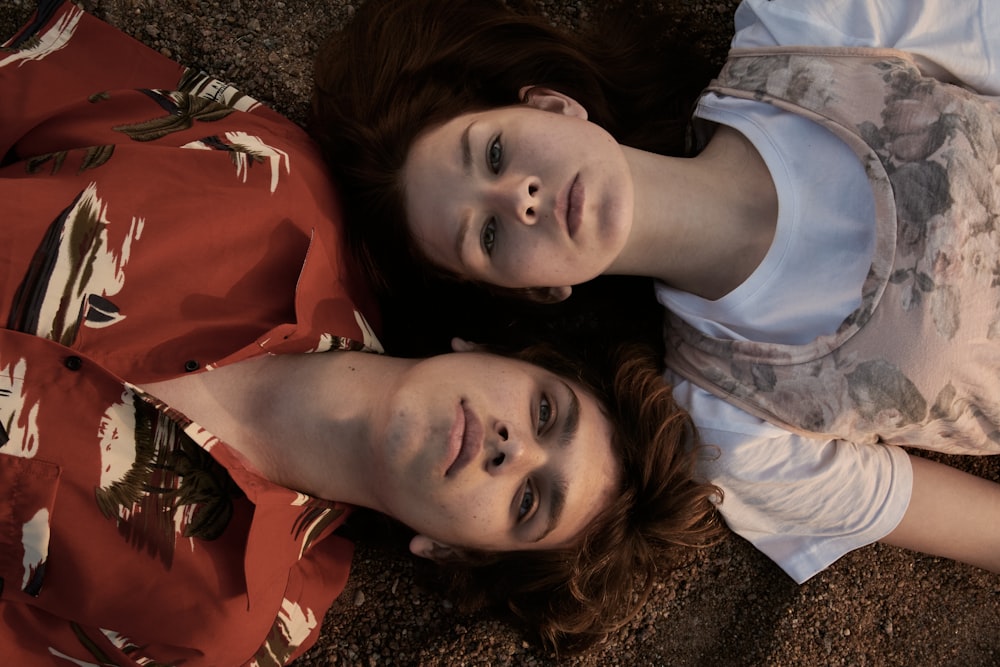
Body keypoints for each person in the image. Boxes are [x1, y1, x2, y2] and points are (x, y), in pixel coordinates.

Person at [0, 2, 722, 664]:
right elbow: (29, 82)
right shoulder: (271, 174)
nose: (513, 446)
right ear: (487, 350)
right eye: (544, 412)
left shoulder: (226, 621)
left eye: (529, 501)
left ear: (452, 551)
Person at [311, 0, 1000, 586]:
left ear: (553, 106)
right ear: (535, 290)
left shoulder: (802, 25)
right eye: (487, 236)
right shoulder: (734, 421)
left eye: (492, 153)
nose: (517, 196)